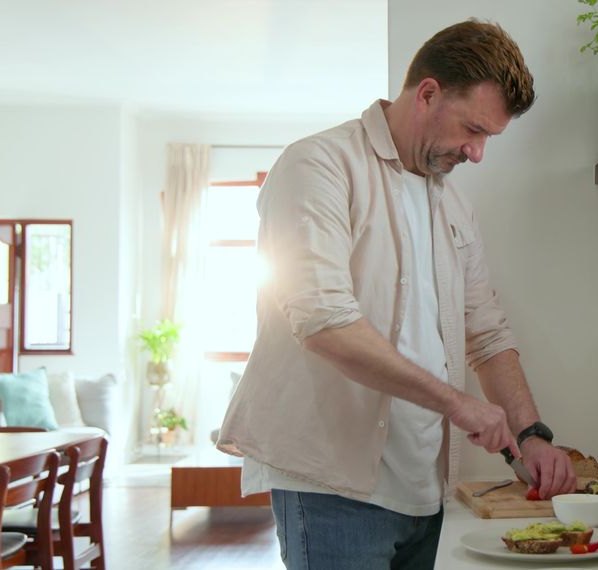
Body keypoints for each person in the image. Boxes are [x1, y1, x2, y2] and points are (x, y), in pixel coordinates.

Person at [218, 19, 577, 569]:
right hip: (331, 490)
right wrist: (458, 403)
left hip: (426, 491)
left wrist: (531, 434)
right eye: (473, 129)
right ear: (428, 93)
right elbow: (324, 320)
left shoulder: (452, 205)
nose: (477, 153)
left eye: (487, 138)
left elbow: (487, 333)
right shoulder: (318, 165)